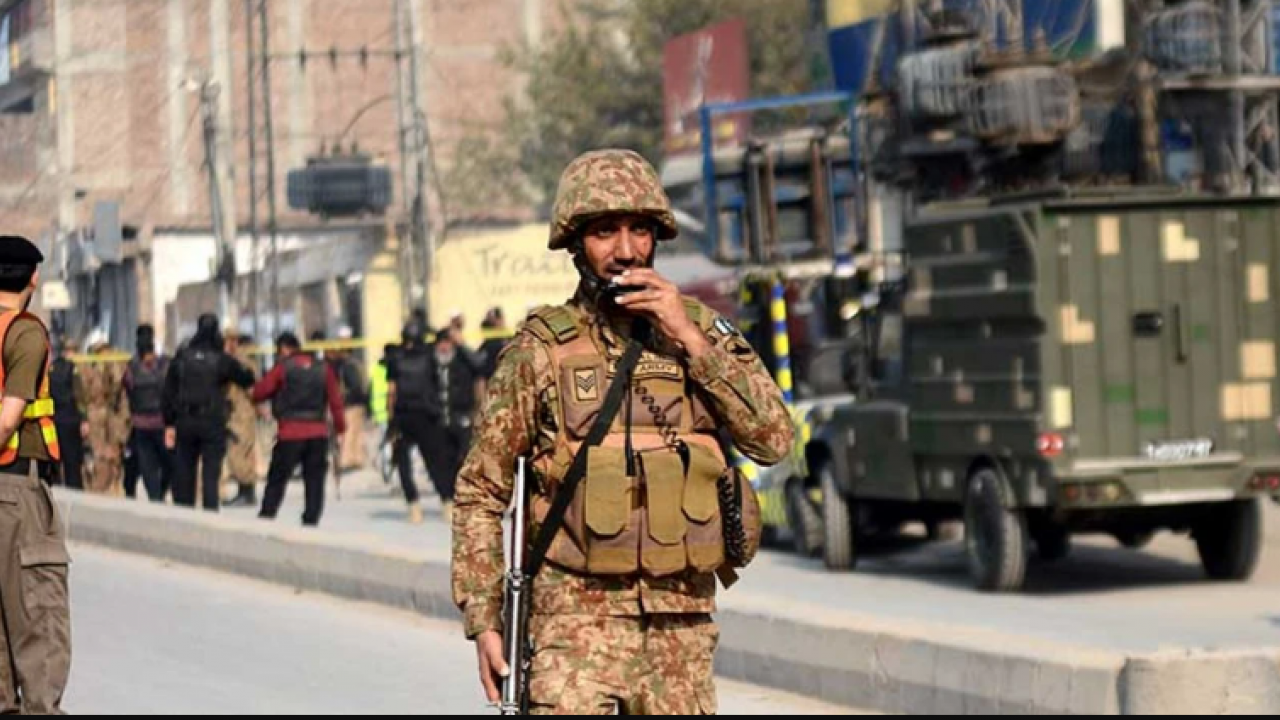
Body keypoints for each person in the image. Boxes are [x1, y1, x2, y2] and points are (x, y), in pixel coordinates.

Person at [451, 150, 793, 715]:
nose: (626, 250)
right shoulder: (540, 351)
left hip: (679, 625)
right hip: (573, 623)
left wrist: (688, 337)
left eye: (639, 230)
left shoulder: (700, 333)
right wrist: (484, 618)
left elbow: (773, 440)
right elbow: (481, 494)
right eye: (605, 232)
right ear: (574, 243)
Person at [0, 235, 71, 714]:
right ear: (33, 278)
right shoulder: (24, 332)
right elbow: (8, 418)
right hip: (14, 492)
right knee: (39, 624)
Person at [252, 332, 346, 527]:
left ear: (284, 349)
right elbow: (336, 401)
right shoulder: (324, 369)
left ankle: (267, 514)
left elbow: (260, 391)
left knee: (278, 477)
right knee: (314, 479)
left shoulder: (283, 368)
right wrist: (340, 428)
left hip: (290, 432)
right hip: (317, 432)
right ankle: (311, 519)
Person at [163, 314, 255, 511]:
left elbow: (168, 390)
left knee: (185, 470)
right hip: (211, 421)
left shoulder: (183, 357)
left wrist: (169, 422)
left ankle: (185, 511)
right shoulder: (220, 360)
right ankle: (209, 513)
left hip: (185, 420)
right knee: (210, 474)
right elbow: (246, 378)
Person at [423, 327, 480, 523]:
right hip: (438, 421)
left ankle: (462, 498)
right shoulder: (430, 364)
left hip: (461, 418)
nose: (445, 347)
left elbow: (479, 364)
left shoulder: (462, 361)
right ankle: (447, 499)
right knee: (441, 462)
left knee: (463, 459)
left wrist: (462, 344)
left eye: (449, 343)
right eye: (442, 343)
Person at [387, 321, 431, 523]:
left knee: (404, 463)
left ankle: (414, 505)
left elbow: (391, 392)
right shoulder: (429, 357)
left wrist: (390, 419)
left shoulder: (396, 358)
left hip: (404, 414)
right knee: (434, 461)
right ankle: (447, 500)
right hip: (425, 413)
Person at [78, 330, 129, 496]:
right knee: (99, 453)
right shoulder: (86, 366)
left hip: (112, 415)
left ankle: (113, 485)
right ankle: (99, 488)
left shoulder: (115, 364)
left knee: (113, 453)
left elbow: (117, 388)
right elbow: (81, 394)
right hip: (96, 414)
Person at [123, 324, 170, 502]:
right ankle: (158, 495)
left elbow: (127, 390)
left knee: (148, 465)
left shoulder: (131, 367)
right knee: (166, 463)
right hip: (160, 422)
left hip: (141, 423)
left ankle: (155, 497)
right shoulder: (164, 364)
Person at [223, 331, 260, 508]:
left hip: (241, 415)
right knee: (237, 454)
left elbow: (252, 389)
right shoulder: (231, 361)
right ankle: (244, 491)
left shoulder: (241, 363)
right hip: (234, 414)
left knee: (237, 454)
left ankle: (247, 491)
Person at [329, 326, 369, 471]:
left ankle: (351, 459)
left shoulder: (348, 364)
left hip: (352, 403)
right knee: (351, 432)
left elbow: (355, 385)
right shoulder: (348, 364)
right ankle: (350, 459)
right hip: (352, 402)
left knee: (352, 432)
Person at [47, 335, 84, 490]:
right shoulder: (74, 368)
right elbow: (79, 394)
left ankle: (55, 485)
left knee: (56, 457)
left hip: (53, 419)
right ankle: (74, 488)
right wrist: (84, 418)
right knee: (72, 461)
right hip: (71, 419)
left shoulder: (51, 368)